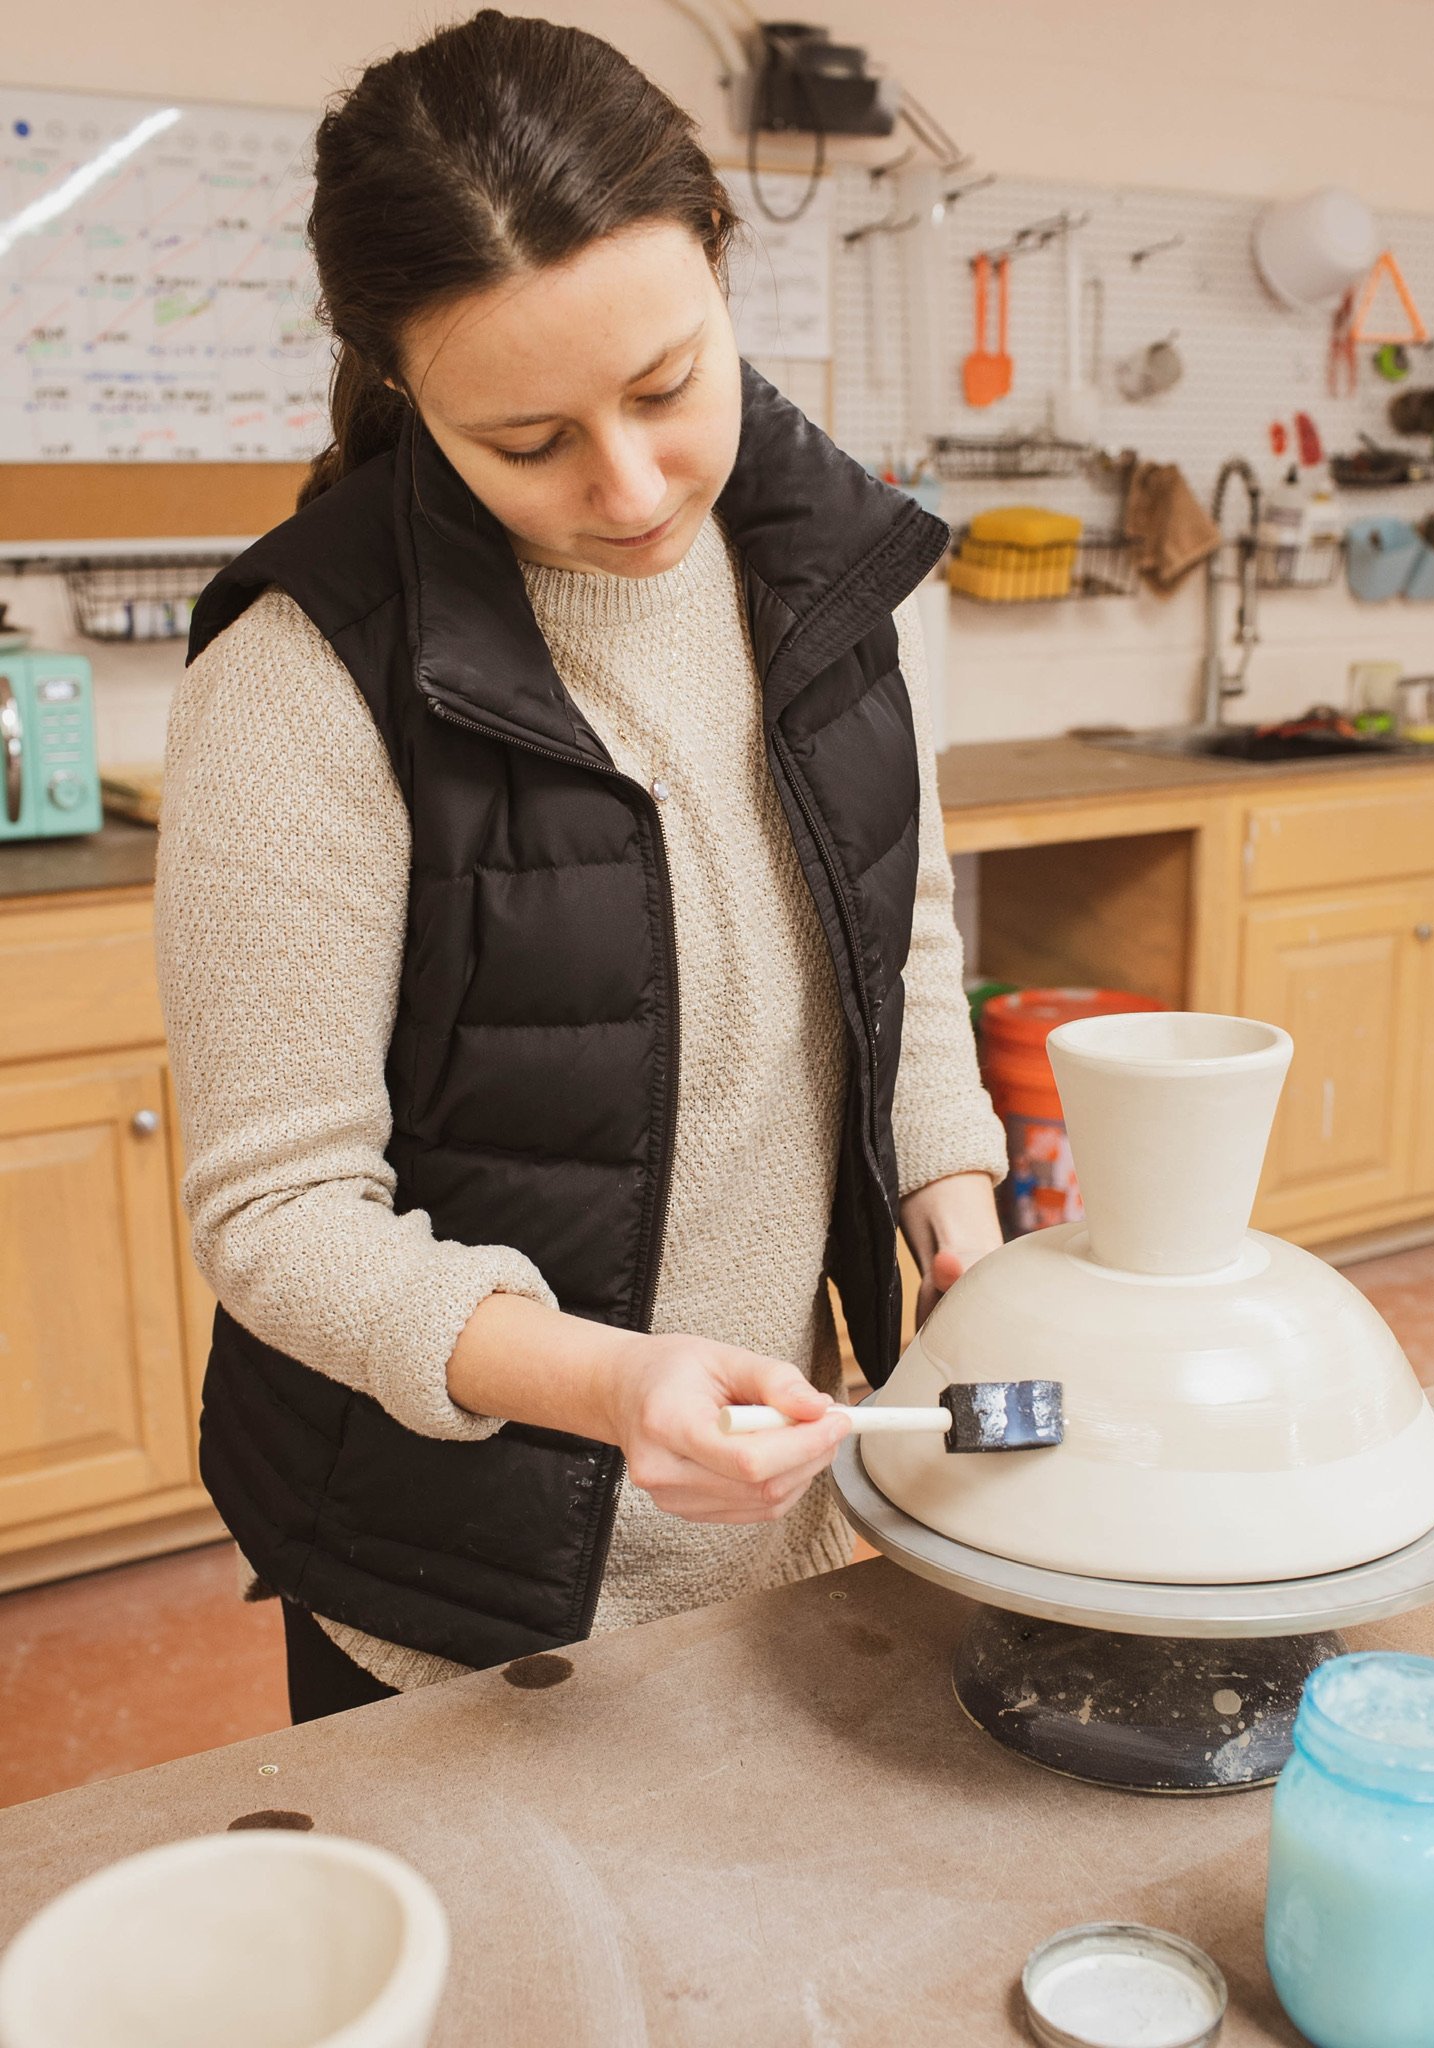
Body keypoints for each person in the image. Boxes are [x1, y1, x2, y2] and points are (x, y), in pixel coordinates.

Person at [154, 10, 1006, 1725]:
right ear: (403, 389)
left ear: (715, 255)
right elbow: (279, 1220)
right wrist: (618, 1391)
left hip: (779, 1519)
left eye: (666, 386)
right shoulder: (309, 672)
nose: (629, 489)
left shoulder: (817, 564)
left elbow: (891, 943)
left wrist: (959, 1219)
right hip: (452, 1582)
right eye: (528, 442)